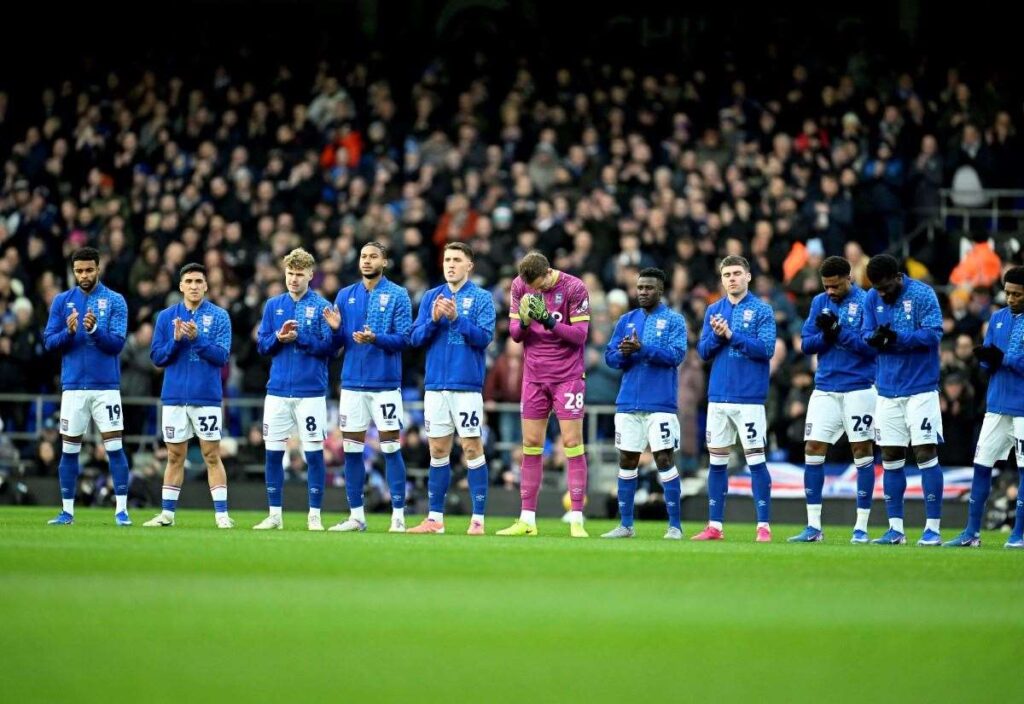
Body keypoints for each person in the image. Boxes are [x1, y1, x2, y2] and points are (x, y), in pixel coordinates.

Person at [497, 250, 591, 537]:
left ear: (549, 271)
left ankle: (576, 518)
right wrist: (526, 321)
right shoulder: (519, 286)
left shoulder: (574, 287)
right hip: (534, 377)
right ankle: (527, 519)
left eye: (539, 285)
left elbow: (580, 336)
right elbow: (515, 334)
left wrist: (548, 321)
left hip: (568, 377)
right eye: (532, 287)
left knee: (572, 443)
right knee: (531, 444)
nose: (536, 291)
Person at [407, 242, 496, 534]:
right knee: (437, 448)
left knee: (471, 447)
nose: (450, 264)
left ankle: (478, 519)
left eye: (457, 259)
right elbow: (416, 339)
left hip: (466, 387)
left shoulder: (482, 298)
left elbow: (484, 338)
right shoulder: (432, 296)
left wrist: (457, 319)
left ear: (469, 265)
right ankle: (435, 519)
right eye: (447, 259)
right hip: (435, 386)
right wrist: (433, 320)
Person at [252, 248, 343, 531]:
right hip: (277, 391)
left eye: (299, 274)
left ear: (311, 276)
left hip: (310, 393)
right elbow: (262, 346)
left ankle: (314, 514)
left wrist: (300, 338)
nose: (293, 279)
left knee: (313, 453)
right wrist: (279, 337)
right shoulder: (272, 305)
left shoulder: (322, 306)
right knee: (273, 453)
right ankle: (275, 515)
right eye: (290, 273)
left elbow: (330, 349)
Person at [790, 256, 878, 543]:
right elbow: (806, 344)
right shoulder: (819, 302)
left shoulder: (866, 301)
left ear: (848, 277)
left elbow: (870, 347)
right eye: (826, 286)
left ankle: (861, 527)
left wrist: (838, 331)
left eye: (835, 285)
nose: (830, 291)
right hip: (826, 387)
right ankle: (813, 527)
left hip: (859, 387)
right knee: (813, 448)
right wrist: (827, 336)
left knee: (861, 451)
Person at [42, 247, 131, 525]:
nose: (84, 275)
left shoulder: (115, 301)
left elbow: (117, 344)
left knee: (114, 448)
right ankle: (67, 511)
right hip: (73, 388)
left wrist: (93, 330)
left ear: (98, 268)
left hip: (106, 387)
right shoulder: (61, 301)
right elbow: (49, 342)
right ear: (73, 271)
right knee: (69, 450)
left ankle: (121, 510)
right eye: (79, 270)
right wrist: (68, 333)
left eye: (89, 270)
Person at [329, 242, 413, 533]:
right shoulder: (345, 295)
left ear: (385, 262)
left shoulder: (398, 294)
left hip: (385, 385)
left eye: (373, 256)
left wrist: (375, 338)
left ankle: (398, 515)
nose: (366, 261)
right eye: (363, 256)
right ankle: (356, 516)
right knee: (352, 451)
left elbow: (405, 339)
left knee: (391, 448)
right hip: (352, 384)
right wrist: (335, 329)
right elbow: (337, 345)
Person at [862, 254, 944, 546]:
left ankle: (932, 528)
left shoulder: (923, 294)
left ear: (898, 277)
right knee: (891, 458)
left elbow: (934, 334)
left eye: (885, 287)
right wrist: (874, 338)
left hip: (921, 389)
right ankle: (895, 529)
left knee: (924, 453)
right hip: (886, 390)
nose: (880, 293)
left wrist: (897, 338)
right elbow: (865, 333)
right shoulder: (872, 297)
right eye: (876, 288)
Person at [693, 255, 777, 542]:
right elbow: (703, 351)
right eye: (727, 274)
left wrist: (730, 335)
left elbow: (766, 349)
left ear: (748, 277)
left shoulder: (763, 310)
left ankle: (763, 526)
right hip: (718, 398)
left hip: (749, 398)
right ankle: (715, 526)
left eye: (737, 273)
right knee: (717, 463)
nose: (732, 278)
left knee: (756, 461)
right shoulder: (714, 310)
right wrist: (718, 336)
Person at [144, 263, 234, 528]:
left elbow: (221, 356)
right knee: (174, 456)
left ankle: (221, 515)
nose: (194, 286)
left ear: (206, 286)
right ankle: (167, 515)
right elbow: (157, 358)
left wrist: (196, 339)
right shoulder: (165, 317)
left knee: (211, 455)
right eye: (189, 281)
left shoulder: (220, 317)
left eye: (198, 281)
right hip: (173, 398)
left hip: (206, 398)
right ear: (181, 286)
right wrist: (176, 341)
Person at [601, 268, 688, 539]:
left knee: (663, 458)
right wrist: (624, 354)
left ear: (660, 291)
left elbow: (677, 354)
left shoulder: (674, 321)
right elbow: (610, 357)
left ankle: (675, 526)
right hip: (628, 402)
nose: (642, 292)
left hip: (660, 402)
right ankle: (626, 525)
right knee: (627, 459)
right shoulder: (627, 320)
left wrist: (643, 349)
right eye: (639, 288)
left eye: (648, 288)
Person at [945, 267, 1024, 548]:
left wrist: (1003, 359)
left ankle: (1018, 534)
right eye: (1008, 292)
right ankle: (971, 533)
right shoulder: (998, 318)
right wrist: (987, 359)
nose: (1011, 298)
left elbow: (1011, 361)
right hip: (997, 404)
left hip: (1023, 408)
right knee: (981, 465)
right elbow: (989, 363)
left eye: (1017, 294)